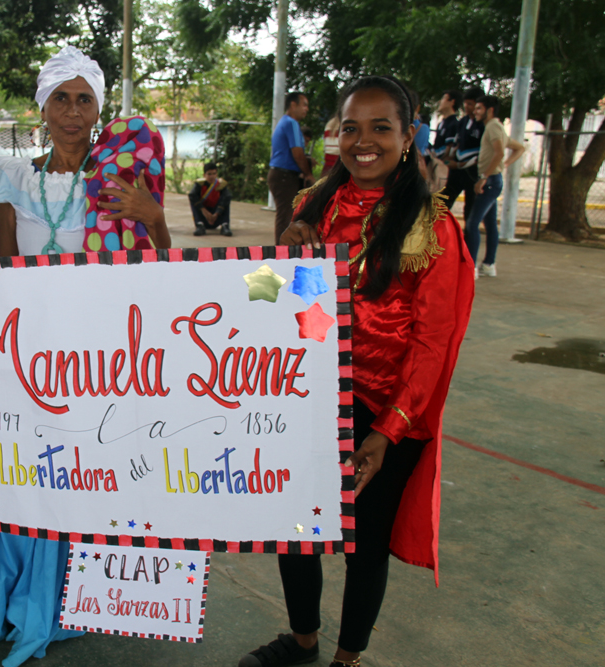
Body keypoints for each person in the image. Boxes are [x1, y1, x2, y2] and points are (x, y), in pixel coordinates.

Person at [0, 45, 169, 667]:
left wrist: (153, 217)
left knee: (82, 479)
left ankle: (69, 598)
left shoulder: (120, 176)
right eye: (60, 98)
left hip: (99, 360)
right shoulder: (14, 178)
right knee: (20, 473)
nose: (72, 112)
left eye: (84, 99)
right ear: (42, 107)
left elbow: (160, 272)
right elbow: (2, 274)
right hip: (32, 360)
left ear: (99, 108)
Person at [239, 75, 474, 667]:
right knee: (296, 531)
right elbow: (271, 302)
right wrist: (282, 257)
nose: (363, 141)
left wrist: (387, 430)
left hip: (386, 410)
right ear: (335, 134)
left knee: (363, 549)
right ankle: (303, 642)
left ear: (409, 135)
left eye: (380, 127)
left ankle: (348, 659)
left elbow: (432, 342)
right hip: (309, 398)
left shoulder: (433, 225)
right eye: (351, 127)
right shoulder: (310, 203)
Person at [466, 95, 526, 278]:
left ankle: (471, 267)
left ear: (489, 110)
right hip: (493, 178)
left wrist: (484, 177)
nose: (475, 112)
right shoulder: (496, 128)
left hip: (490, 181)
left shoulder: (493, 126)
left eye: (479, 108)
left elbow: (499, 152)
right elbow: (519, 148)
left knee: (472, 223)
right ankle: (489, 264)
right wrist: (504, 165)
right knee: (490, 223)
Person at [268, 92, 314, 243]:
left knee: (286, 215)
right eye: (304, 104)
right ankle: (282, 255)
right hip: (284, 176)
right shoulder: (291, 123)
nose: (306, 109)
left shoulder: (285, 122)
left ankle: (282, 253)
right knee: (286, 217)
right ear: (293, 105)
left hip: (281, 175)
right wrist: (308, 174)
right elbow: (297, 153)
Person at [441, 86, 485, 223]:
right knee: (442, 202)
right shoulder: (463, 122)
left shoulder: (483, 126)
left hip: (472, 172)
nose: (467, 107)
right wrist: (449, 158)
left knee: (470, 209)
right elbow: (456, 143)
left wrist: (460, 164)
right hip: (457, 172)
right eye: (465, 103)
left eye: (470, 104)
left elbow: (482, 154)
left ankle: (467, 239)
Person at [428, 90, 463, 192]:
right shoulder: (442, 123)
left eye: (444, 98)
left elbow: (449, 150)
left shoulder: (453, 124)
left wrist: (440, 161)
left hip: (443, 170)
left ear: (452, 102)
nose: (440, 101)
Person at [189, 161, 232, 236]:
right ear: (204, 175)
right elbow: (192, 195)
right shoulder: (199, 185)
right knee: (193, 199)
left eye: (214, 173)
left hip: (217, 215)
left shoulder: (221, 185)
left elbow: (227, 197)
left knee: (226, 198)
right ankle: (199, 225)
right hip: (204, 216)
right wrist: (204, 211)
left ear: (217, 174)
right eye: (209, 174)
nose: (212, 176)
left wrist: (217, 213)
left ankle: (225, 226)